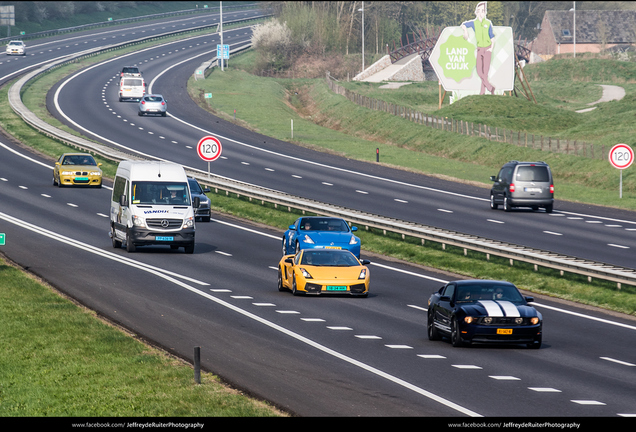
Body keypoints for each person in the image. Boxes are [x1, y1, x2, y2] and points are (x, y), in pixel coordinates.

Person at [461, 1, 495, 95]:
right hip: (480, 49)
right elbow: (463, 24)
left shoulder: (488, 23)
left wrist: (491, 48)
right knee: (479, 71)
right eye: (479, 11)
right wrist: (465, 32)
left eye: (483, 11)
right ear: (476, 12)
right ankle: (490, 87)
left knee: (485, 72)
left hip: (487, 48)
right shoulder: (473, 23)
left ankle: (482, 92)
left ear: (485, 12)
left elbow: (492, 37)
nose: (481, 13)